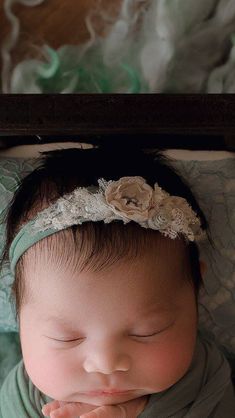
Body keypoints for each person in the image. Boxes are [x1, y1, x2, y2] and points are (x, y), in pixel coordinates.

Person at [0, 143, 234, 418]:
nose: (106, 364)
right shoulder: (21, 395)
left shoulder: (205, 380)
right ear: (18, 312)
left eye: (148, 331)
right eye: (66, 338)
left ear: (196, 292)